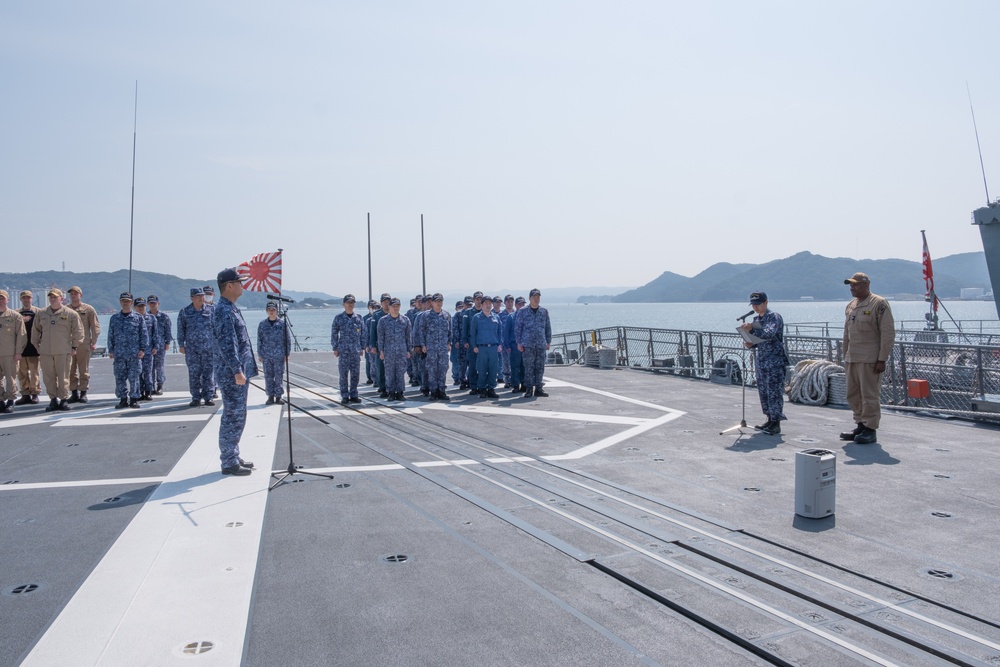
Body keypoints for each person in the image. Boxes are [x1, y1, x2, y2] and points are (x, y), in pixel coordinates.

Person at [212, 268, 258, 476]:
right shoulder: (223, 310)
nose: (243, 285)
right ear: (229, 286)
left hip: (238, 371)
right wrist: (237, 370)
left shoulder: (231, 308)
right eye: (239, 282)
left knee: (238, 415)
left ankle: (233, 453)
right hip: (232, 373)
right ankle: (228, 461)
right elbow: (227, 344)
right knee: (233, 415)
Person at [841, 272, 895, 445]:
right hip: (853, 358)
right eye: (851, 284)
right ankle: (860, 424)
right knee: (853, 393)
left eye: (855, 284)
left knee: (869, 395)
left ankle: (870, 428)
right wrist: (845, 356)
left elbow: (887, 333)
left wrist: (882, 359)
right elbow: (846, 334)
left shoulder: (879, 304)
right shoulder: (851, 306)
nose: (852, 287)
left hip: (870, 359)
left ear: (866, 285)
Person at [740, 291, 789, 435]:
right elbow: (758, 341)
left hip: (774, 360)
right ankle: (769, 418)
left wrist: (751, 330)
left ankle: (776, 422)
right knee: (763, 391)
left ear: (766, 302)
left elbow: (769, 334)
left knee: (774, 391)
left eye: (758, 304)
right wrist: (750, 343)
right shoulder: (756, 319)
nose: (755, 307)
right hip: (761, 360)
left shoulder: (774, 317)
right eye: (753, 305)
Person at [31, 288, 84, 412]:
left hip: (63, 350)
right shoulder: (42, 313)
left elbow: (78, 331)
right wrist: (37, 346)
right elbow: (35, 331)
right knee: (48, 377)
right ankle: (53, 400)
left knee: (63, 377)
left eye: (55, 297)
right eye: (51, 297)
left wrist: (74, 346)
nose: (53, 299)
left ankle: (64, 399)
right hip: (46, 351)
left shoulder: (70, 314)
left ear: (62, 298)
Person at [107, 292, 148, 409]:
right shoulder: (114, 319)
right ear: (120, 302)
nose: (125, 303)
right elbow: (111, 335)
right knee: (119, 377)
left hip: (134, 354)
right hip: (119, 353)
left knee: (134, 377)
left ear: (131, 302)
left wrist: (142, 349)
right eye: (123, 301)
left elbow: (144, 335)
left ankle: (134, 399)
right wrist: (111, 350)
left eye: (127, 301)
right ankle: (123, 399)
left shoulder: (138, 318)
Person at [177, 287, 215, 407]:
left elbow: (217, 328)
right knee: (194, 374)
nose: (201, 298)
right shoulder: (185, 312)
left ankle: (209, 396)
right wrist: (181, 345)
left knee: (208, 374)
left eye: (202, 295)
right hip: (192, 349)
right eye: (198, 296)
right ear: (192, 298)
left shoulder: (212, 310)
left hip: (209, 348)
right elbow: (181, 329)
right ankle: (196, 397)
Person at [66, 286, 100, 404]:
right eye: (71, 294)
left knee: (83, 370)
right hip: (69, 344)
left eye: (76, 293)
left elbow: (95, 327)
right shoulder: (65, 310)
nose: (73, 295)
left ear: (81, 295)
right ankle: (74, 392)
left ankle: (84, 392)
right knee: (70, 369)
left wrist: (94, 342)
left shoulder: (88, 309)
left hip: (83, 343)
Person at [515, 288, 552, 397]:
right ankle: (529, 389)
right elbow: (518, 328)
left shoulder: (543, 311)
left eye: (538, 297)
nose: (536, 299)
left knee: (540, 367)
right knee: (528, 367)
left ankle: (539, 389)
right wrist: (519, 342)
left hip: (540, 344)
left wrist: (548, 341)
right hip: (528, 344)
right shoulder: (523, 311)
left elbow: (547, 327)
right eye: (534, 297)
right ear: (530, 298)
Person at [331, 294, 365, 404]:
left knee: (355, 374)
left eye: (352, 303)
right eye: (348, 303)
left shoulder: (358, 318)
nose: (350, 305)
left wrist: (362, 347)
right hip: (343, 350)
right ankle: (344, 395)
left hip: (355, 350)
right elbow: (334, 333)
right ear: (343, 304)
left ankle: (354, 394)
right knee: (343, 374)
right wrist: (335, 347)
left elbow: (363, 333)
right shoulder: (339, 318)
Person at [376, 297, 411, 401]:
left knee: (400, 372)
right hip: (388, 350)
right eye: (393, 306)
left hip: (401, 350)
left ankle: (400, 392)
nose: (395, 308)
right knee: (389, 372)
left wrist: (409, 350)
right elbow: (380, 337)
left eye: (397, 306)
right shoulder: (383, 321)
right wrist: (381, 350)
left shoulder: (405, 320)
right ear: (389, 307)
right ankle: (391, 392)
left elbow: (408, 336)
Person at [420, 293, 452, 401]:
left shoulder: (446, 315)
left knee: (443, 369)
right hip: (431, 348)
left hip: (443, 348)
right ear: (432, 303)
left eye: (440, 301)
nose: (439, 303)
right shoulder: (426, 315)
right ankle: (433, 391)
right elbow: (422, 331)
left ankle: (441, 391)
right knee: (432, 369)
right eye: (437, 301)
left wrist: (449, 343)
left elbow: (450, 331)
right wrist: (423, 345)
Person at [257, 301, 291, 405]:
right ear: (267, 311)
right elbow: (259, 340)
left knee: (279, 375)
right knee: (268, 376)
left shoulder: (282, 324)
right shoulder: (262, 324)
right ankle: (270, 396)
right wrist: (260, 354)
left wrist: (287, 353)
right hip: (266, 355)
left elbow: (287, 339)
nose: (271, 312)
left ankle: (278, 396)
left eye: (273, 310)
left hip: (279, 354)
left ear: (276, 311)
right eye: (269, 310)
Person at [470, 295, 502, 398]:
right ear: (482, 304)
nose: (488, 305)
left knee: (494, 369)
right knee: (482, 369)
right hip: (482, 348)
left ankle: (491, 388)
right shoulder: (477, 318)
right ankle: (482, 389)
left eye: (490, 303)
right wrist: (474, 345)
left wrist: (500, 344)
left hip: (493, 347)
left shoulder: (496, 317)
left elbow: (500, 331)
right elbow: (473, 333)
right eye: (486, 303)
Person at [0, 290, 27, 413]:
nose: (0, 300)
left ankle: (11, 400)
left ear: (7, 300)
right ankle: (1, 400)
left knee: (10, 378)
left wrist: (18, 352)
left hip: (9, 353)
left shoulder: (15, 316)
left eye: (2, 298)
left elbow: (21, 335)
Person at [16, 291, 41, 405]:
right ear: (21, 299)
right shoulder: (15, 314)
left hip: (34, 347)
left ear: (32, 299)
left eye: (28, 298)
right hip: (20, 348)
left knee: (35, 372)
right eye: (24, 298)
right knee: (21, 372)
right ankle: (25, 394)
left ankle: (35, 393)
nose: (26, 300)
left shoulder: (39, 313)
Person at [133, 297, 159, 401]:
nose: (141, 308)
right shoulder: (133, 318)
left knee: (148, 372)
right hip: (136, 350)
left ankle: (148, 391)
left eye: (143, 306)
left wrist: (156, 346)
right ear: (135, 307)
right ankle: (139, 391)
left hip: (148, 350)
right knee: (137, 372)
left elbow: (155, 334)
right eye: (139, 306)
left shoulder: (152, 318)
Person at [147, 295, 172, 394]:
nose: (152, 305)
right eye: (150, 303)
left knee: (159, 366)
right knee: (150, 367)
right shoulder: (145, 316)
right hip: (149, 345)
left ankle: (160, 385)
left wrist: (167, 343)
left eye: (154, 303)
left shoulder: (164, 316)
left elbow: (168, 330)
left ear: (158, 304)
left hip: (161, 344)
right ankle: (151, 385)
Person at [368, 293, 391, 398]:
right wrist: (372, 345)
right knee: (380, 368)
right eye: (384, 301)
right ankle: (383, 388)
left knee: (392, 369)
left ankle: (392, 387)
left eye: (388, 301)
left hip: (392, 346)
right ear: (381, 303)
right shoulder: (377, 315)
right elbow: (372, 332)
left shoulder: (394, 312)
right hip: (380, 346)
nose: (386, 303)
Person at [504, 296, 525, 392]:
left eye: (523, 304)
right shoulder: (511, 317)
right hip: (514, 345)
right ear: (516, 305)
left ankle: (524, 384)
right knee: (515, 366)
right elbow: (506, 333)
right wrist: (507, 346)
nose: (521, 306)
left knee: (524, 366)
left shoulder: (527, 317)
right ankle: (515, 385)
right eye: (519, 304)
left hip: (525, 345)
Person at [362, 300, 377, 385]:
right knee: (369, 361)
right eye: (372, 307)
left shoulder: (379, 317)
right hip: (369, 343)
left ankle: (377, 379)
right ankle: (370, 377)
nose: (373, 309)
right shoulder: (365, 318)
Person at [450, 300, 464, 386]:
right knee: (455, 360)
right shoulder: (455, 317)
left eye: (462, 307)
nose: (461, 309)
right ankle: (456, 378)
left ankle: (463, 377)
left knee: (464, 361)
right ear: (456, 308)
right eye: (459, 307)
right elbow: (453, 330)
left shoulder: (466, 316)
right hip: (456, 342)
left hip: (464, 342)